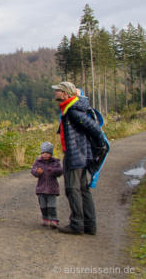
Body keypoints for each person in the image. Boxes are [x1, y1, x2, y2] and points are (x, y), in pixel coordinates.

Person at [53, 82, 105, 235]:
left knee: (72, 188)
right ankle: (89, 224)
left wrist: (100, 146)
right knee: (83, 189)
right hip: (81, 153)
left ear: (66, 94)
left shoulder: (73, 111)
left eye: (58, 90)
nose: (55, 92)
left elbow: (94, 128)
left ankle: (76, 224)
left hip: (74, 154)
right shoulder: (73, 108)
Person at [31, 142, 63, 228]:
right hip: (41, 188)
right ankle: (45, 218)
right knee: (43, 205)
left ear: (51, 154)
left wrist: (53, 171)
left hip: (52, 188)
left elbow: (60, 172)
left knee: (51, 205)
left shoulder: (55, 163)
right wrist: (37, 172)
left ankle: (53, 219)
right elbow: (33, 172)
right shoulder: (38, 163)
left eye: (47, 153)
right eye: (43, 153)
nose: (45, 155)